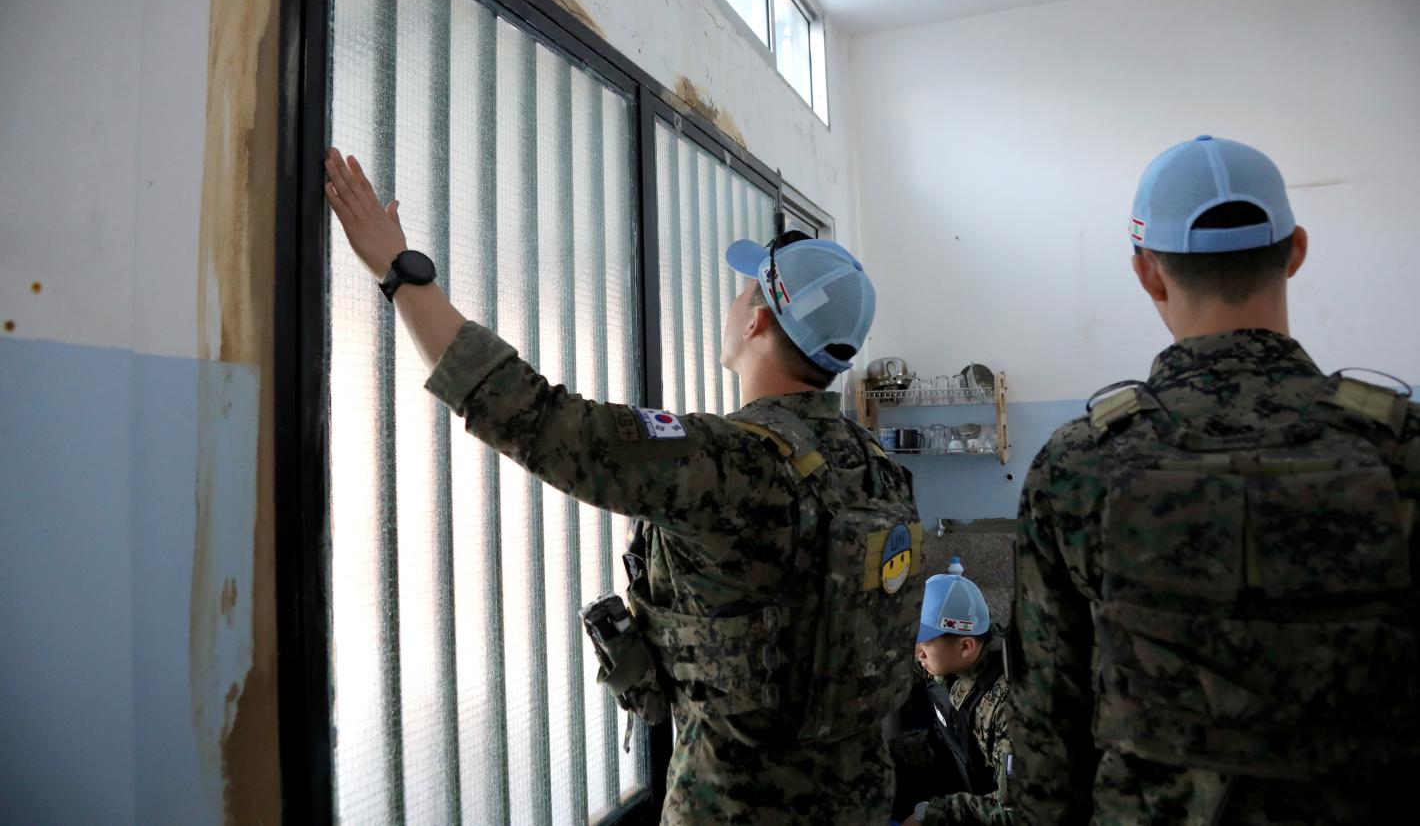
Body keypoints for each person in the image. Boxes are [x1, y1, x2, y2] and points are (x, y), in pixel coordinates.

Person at [322, 147, 927, 824]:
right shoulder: (877, 466)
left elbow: (533, 416)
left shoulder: (731, 463)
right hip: (861, 803)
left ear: (756, 318)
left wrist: (400, 271)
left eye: (743, 290)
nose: (732, 303)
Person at [1011, 135, 1420, 824]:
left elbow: (1050, 732)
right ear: (1295, 250)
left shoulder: (1076, 464)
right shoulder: (1400, 446)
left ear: (1147, 272)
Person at [891, 558, 1015, 826]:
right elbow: (897, 671)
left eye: (923, 643)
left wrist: (932, 815)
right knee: (874, 761)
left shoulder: (1008, 706)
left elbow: (1013, 812)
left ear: (966, 646)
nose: (916, 653)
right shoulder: (945, 655)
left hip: (986, 803)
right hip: (951, 755)